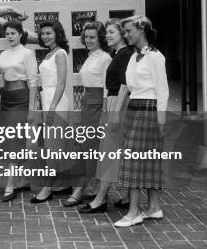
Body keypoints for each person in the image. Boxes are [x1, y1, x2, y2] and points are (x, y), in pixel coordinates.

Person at [114, 15, 169, 228]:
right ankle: (154, 207)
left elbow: (163, 91)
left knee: (133, 160)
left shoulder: (155, 57)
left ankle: (134, 212)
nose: (125, 35)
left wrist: (161, 122)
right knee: (146, 160)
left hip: (149, 109)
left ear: (142, 29)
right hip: (134, 108)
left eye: (128, 31)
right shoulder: (134, 56)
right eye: (124, 31)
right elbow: (128, 86)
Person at [80, 19, 133, 213]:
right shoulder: (118, 54)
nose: (108, 35)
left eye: (112, 32)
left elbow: (124, 85)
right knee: (113, 152)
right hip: (112, 103)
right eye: (107, 32)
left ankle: (100, 199)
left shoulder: (124, 54)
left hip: (116, 104)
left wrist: (115, 112)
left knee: (109, 153)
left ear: (122, 34)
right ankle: (126, 196)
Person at [64, 21, 111, 207]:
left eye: (93, 37)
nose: (89, 40)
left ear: (100, 38)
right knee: (85, 148)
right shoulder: (90, 56)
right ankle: (97, 190)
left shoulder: (105, 58)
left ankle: (80, 190)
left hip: (98, 105)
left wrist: (105, 115)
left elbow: (108, 89)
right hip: (87, 105)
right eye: (87, 37)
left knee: (91, 149)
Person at [0, 20, 39, 202]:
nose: (10, 36)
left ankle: (10, 184)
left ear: (21, 34)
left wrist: (31, 108)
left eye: (13, 33)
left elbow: (33, 82)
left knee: (14, 140)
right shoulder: (3, 54)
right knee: (10, 140)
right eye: (7, 34)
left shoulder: (27, 53)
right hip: (6, 99)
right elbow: (0, 79)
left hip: (21, 98)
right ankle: (21, 180)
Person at [31, 21, 72, 203]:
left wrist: (53, 107)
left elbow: (61, 83)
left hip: (56, 102)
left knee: (52, 147)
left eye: (49, 33)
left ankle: (47, 188)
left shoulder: (61, 53)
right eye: (43, 33)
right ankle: (62, 184)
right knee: (52, 145)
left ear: (57, 34)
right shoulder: (49, 53)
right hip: (46, 99)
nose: (45, 36)